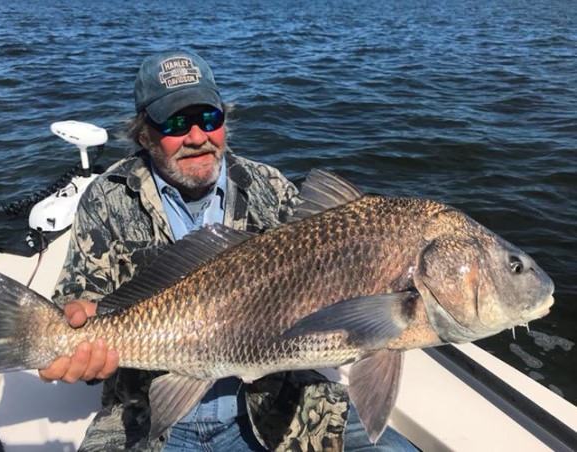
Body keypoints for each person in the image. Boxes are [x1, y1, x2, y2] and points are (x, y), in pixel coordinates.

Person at [39, 50, 414, 451]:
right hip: (151, 416)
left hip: (277, 410)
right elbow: (79, 299)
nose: (198, 137)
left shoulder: (270, 188)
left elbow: (333, 271)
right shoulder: (107, 198)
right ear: (144, 133)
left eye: (210, 118)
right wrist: (76, 333)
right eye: (176, 123)